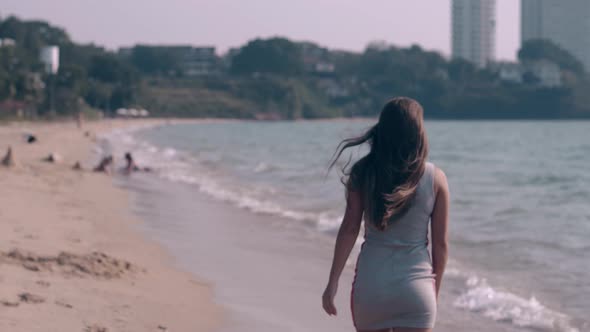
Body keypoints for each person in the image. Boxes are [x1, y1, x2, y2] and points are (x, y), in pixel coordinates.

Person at [322, 97, 450, 332]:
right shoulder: (436, 179)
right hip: (416, 290)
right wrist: (433, 293)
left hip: (372, 289)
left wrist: (332, 283)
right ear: (418, 132)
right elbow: (440, 247)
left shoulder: (362, 173)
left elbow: (350, 229)